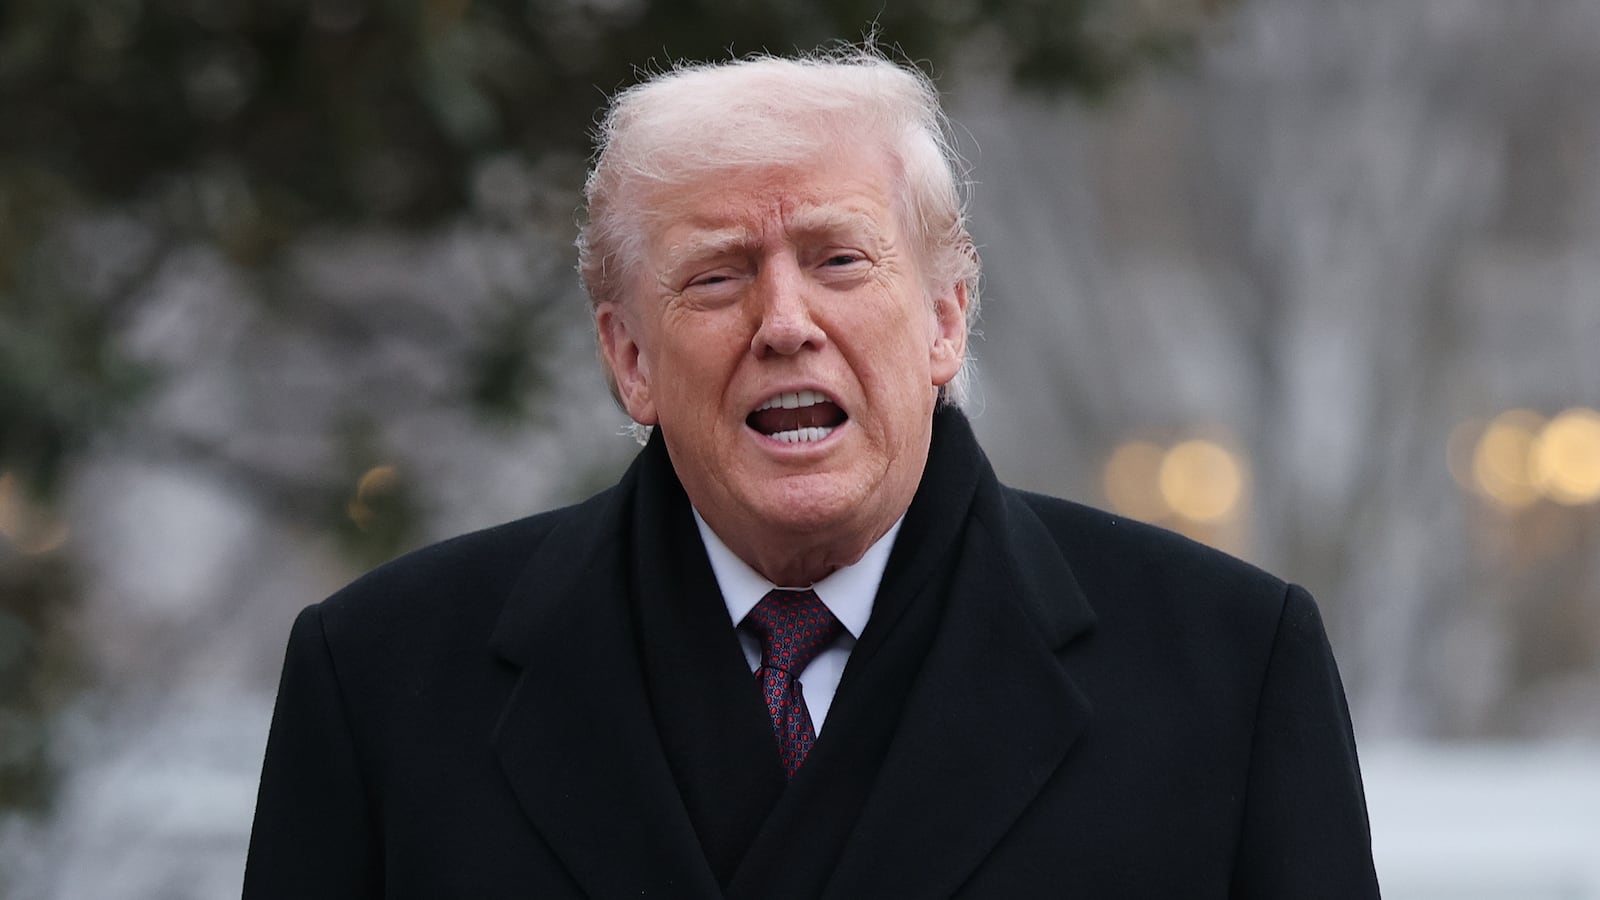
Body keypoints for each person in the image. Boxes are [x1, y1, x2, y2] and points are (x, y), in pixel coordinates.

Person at [244, 47, 1380, 899]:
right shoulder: (384, 682)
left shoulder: (1227, 670)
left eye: (839, 260)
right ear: (628, 357)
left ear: (945, 318)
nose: (785, 322)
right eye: (716, 276)